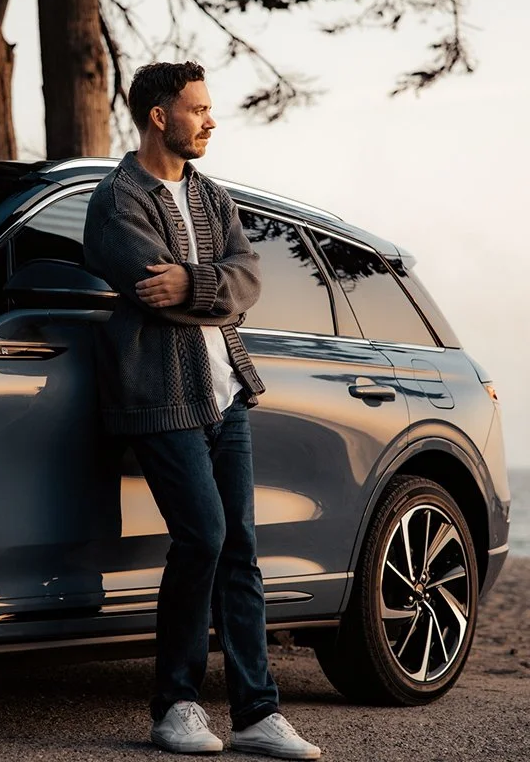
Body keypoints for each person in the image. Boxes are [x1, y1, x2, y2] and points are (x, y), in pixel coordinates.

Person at [82, 61, 321, 758]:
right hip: (159, 395)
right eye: (199, 109)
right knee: (205, 538)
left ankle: (256, 714)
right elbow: (147, 285)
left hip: (226, 393)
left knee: (241, 549)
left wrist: (195, 282)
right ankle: (176, 706)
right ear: (160, 116)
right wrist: (205, 288)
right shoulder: (116, 198)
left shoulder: (213, 196)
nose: (212, 120)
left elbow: (248, 281)